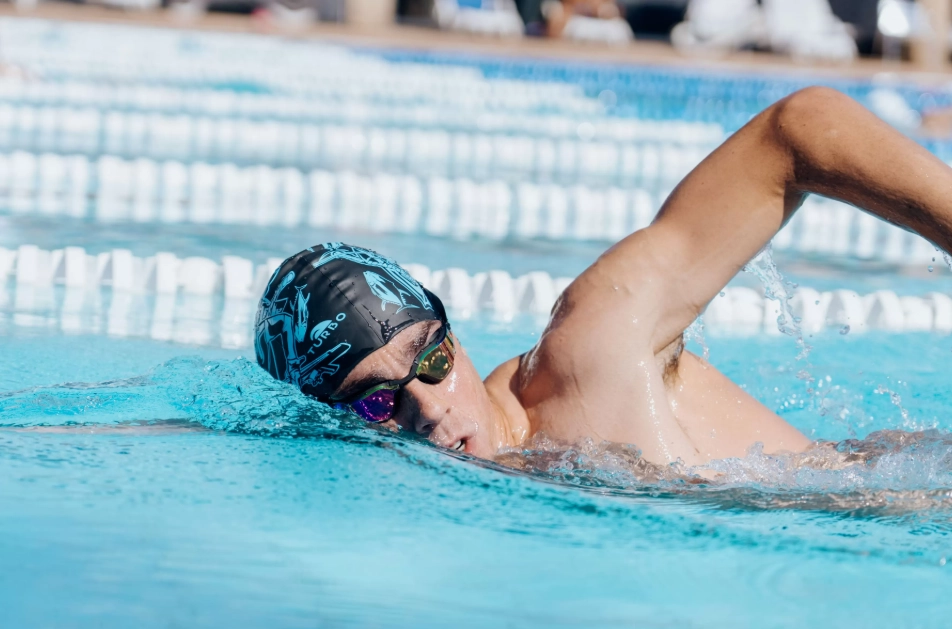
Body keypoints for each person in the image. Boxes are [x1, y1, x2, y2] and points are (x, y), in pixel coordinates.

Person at [255, 87, 952, 468]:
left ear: (453, 332)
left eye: (431, 360)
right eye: (377, 404)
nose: (430, 410)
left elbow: (799, 130)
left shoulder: (592, 345)